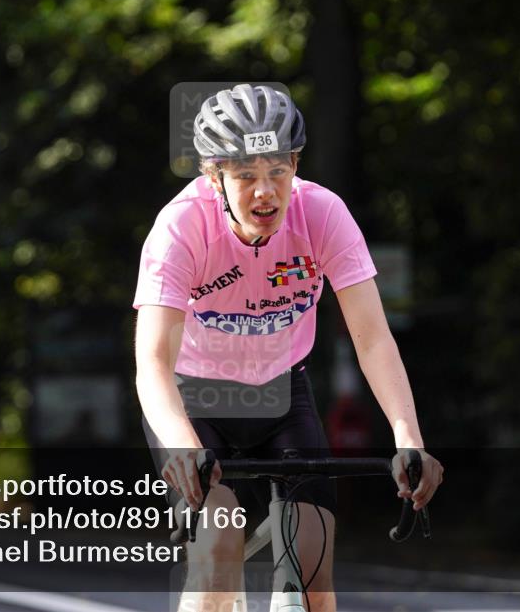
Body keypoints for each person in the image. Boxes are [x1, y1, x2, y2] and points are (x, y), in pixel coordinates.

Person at [133, 84, 444, 612]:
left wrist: (408, 438)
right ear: (213, 176)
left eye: (278, 170)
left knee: (313, 574)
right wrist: (183, 446)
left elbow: (372, 338)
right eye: (245, 175)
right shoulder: (180, 228)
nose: (266, 192)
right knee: (219, 547)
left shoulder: (322, 213)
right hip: (194, 400)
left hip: (282, 395)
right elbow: (153, 362)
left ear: (296, 164)